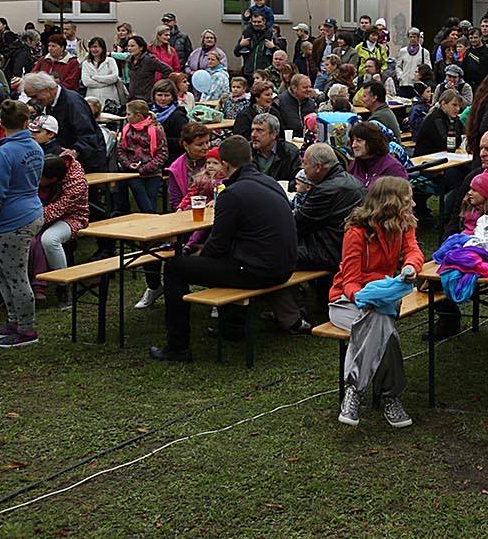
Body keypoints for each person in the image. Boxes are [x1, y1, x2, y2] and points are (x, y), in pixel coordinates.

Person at [149, 136, 300, 362]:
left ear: (226, 164)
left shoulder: (232, 193)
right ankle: (231, 327)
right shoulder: (268, 182)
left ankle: (177, 347)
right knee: (224, 259)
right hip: (285, 264)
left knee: (175, 267)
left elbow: (218, 244)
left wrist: (198, 256)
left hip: (260, 270)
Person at [328, 175, 424, 430]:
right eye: (408, 200)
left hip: (383, 300)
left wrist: (410, 267)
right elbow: (349, 281)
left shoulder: (403, 225)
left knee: (379, 321)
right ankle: (390, 396)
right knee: (385, 330)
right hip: (346, 302)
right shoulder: (356, 232)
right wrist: (362, 298)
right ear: (392, 203)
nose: (413, 205)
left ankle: (353, 392)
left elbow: (413, 251)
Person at [0, 100, 45, 348]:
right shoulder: (34, 147)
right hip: (31, 209)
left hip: (13, 218)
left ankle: (26, 328)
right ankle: (14, 319)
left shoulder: (4, 153)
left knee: (16, 275)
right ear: (26, 122)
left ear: (1, 123)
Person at [294, 142, 364, 274]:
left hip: (329, 253)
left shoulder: (325, 190)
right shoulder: (353, 181)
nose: (303, 169)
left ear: (318, 167)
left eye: (305, 164)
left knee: (273, 252)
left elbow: (298, 224)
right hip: (347, 248)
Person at [35, 150, 89, 283]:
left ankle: (63, 284)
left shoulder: (76, 184)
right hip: (41, 214)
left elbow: (56, 210)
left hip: (73, 217)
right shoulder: (54, 164)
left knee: (49, 240)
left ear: (53, 179)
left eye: (40, 178)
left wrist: (26, 218)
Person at [113, 99, 169, 214]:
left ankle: (150, 219)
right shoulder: (126, 130)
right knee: (139, 192)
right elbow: (120, 150)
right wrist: (128, 164)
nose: (126, 117)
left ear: (138, 116)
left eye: (128, 114)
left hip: (152, 171)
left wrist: (146, 168)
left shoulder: (156, 130)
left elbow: (162, 153)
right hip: (133, 172)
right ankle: (151, 216)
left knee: (151, 196)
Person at [347, 121, 408, 191]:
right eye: (353, 141)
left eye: (358, 141)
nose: (353, 145)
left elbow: (401, 197)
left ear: (372, 141)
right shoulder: (354, 165)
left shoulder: (393, 168)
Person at [249, 113, 302, 183]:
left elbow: (298, 181)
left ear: (274, 134)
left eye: (259, 131)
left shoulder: (290, 153)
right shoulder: (245, 151)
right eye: (252, 130)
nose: (253, 135)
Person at [81, 37, 122, 109]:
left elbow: (114, 78)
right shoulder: (86, 63)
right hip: (92, 98)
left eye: (96, 47)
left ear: (102, 48)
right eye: (91, 47)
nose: (94, 49)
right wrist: (107, 81)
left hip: (109, 98)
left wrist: (95, 77)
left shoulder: (110, 61)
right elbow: (86, 82)